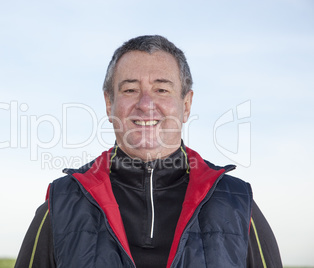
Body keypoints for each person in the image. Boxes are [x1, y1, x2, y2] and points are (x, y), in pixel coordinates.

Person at [15, 35, 282, 268]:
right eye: (130, 89)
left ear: (186, 105)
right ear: (109, 104)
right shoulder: (61, 203)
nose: (145, 104)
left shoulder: (238, 204)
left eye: (161, 89)